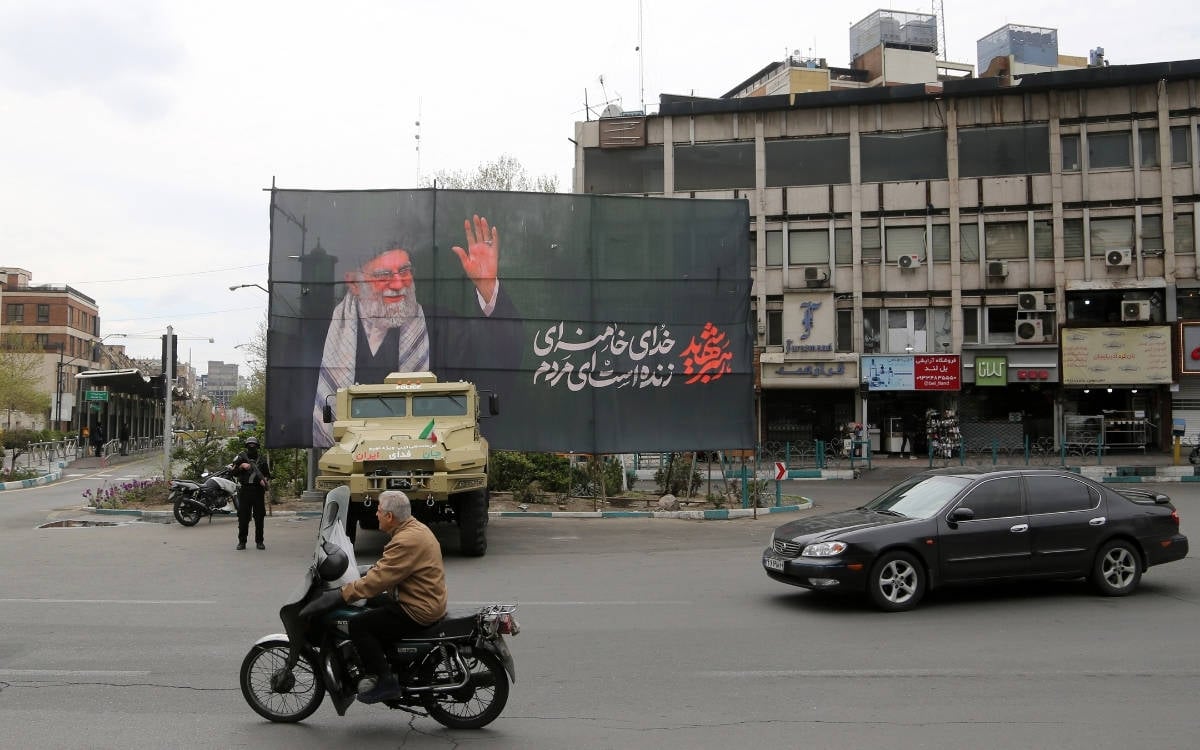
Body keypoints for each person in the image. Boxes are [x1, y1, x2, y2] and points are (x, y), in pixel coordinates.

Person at [311, 214, 520, 447]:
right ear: (353, 283)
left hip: (434, 462)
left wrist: (488, 287)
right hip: (356, 467)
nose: (398, 283)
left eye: (404, 270)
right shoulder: (321, 336)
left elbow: (499, 358)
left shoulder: (444, 327)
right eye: (383, 275)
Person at [337, 490, 447, 704]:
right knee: (370, 604)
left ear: (389, 516)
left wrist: (343, 594)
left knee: (359, 624)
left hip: (418, 608)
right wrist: (362, 572)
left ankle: (384, 682)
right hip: (422, 598)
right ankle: (388, 660)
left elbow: (379, 580)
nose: (376, 514)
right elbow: (388, 568)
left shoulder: (406, 540)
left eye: (378, 510)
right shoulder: (414, 529)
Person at [232, 436, 272, 551]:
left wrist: (264, 480)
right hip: (244, 491)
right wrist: (241, 466)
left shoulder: (262, 459)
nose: (252, 447)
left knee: (259, 517)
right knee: (243, 517)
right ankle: (242, 542)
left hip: (258, 491)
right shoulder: (241, 458)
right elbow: (233, 472)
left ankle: (259, 541)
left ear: (257, 447)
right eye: (250, 445)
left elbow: (267, 474)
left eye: (254, 445)